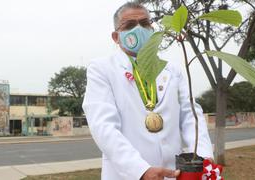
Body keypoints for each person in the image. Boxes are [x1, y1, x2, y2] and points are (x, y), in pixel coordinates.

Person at [82, 2, 213, 180]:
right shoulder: (102, 69)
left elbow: (191, 116)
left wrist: (202, 158)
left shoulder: (172, 70)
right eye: (129, 25)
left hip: (173, 174)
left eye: (144, 23)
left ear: (152, 29)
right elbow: (103, 127)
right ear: (116, 37)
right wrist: (140, 170)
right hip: (128, 175)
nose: (139, 29)